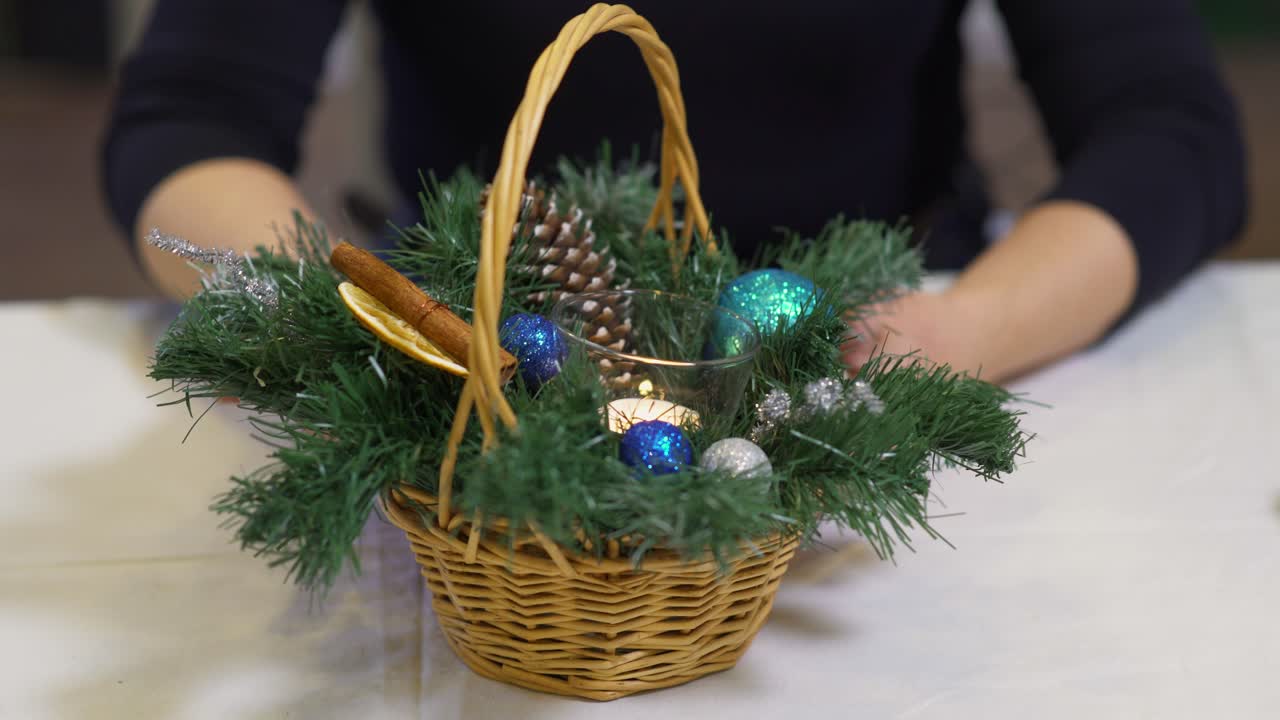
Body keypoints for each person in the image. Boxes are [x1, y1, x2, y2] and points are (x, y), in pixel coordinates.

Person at [102, 1, 1247, 383]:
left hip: (882, 347)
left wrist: (969, 329)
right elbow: (190, 116)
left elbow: (1167, 128)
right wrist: (371, 326)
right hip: (483, 356)